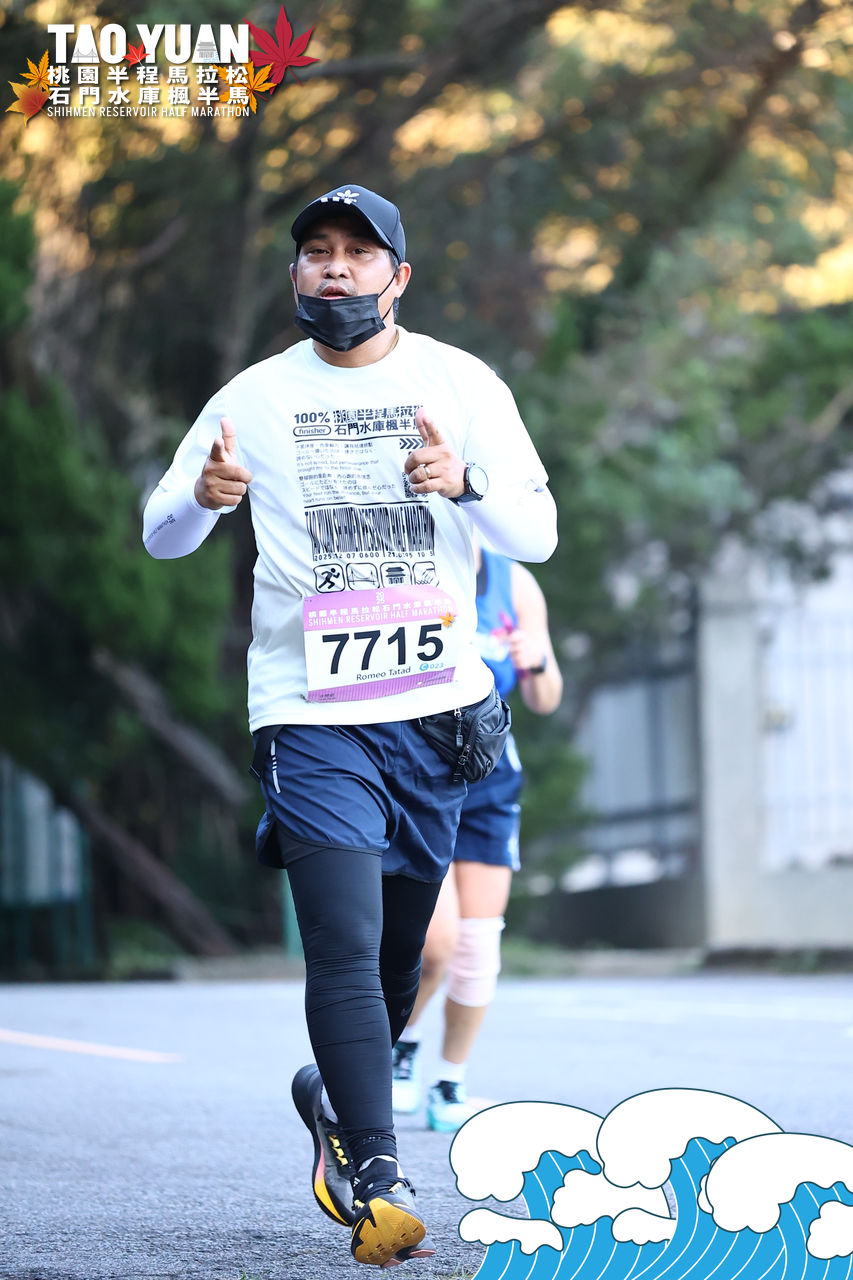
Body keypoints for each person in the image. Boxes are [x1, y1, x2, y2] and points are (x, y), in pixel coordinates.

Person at [142, 184, 557, 1269]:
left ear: (397, 278)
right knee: (339, 938)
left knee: (394, 963)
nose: (334, 267)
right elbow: (160, 533)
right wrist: (204, 499)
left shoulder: (461, 383)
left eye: (358, 253)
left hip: (434, 712)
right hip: (310, 713)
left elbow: (537, 532)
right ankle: (378, 1173)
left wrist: (465, 482)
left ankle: (332, 1096)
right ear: (295, 274)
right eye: (316, 250)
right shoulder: (253, 396)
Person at [392, 545, 562, 1132]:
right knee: (435, 944)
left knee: (477, 949)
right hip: (422, 773)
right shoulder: (411, 562)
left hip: (490, 778)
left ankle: (449, 1081)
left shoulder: (515, 583)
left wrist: (536, 662)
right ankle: (402, 1043)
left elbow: (545, 697)